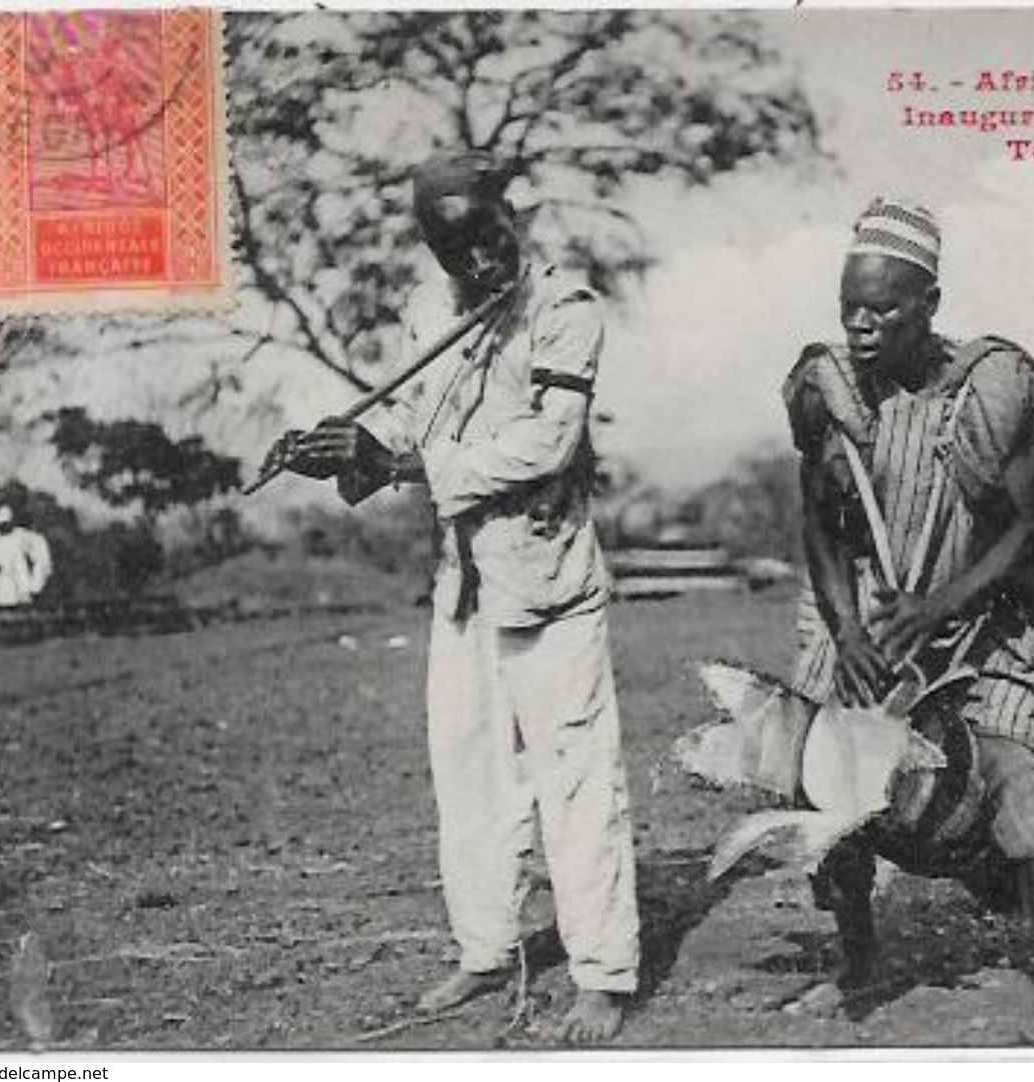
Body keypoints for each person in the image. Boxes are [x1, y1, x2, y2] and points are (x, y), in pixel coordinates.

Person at [266, 152, 639, 1044]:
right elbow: (409, 425)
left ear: (512, 220)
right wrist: (344, 444)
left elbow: (546, 444)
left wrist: (403, 465)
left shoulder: (565, 310)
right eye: (454, 251)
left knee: (576, 774)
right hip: (462, 584)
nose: (477, 264)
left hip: (546, 578)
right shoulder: (431, 315)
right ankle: (484, 948)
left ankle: (604, 972)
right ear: (431, 251)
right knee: (465, 771)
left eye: (488, 239)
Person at [783, 197, 1034, 1045]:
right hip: (871, 615)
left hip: (992, 611)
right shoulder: (828, 392)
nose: (861, 328)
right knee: (829, 777)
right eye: (848, 310)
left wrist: (939, 605)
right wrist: (848, 633)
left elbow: (1020, 536)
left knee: (1010, 770)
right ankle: (856, 960)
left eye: (883, 310)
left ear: (929, 304)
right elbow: (819, 527)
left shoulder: (991, 389)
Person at [0, 504, 52, 608]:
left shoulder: (20, 535)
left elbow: (39, 546)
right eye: (2, 524)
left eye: (7, 524)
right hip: (2, 585)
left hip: (21, 580)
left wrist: (36, 583)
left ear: (12, 522)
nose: (5, 527)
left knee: (22, 604)